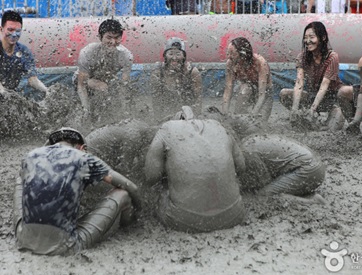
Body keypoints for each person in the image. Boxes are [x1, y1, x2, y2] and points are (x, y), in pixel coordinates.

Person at [13, 128, 141, 255]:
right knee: (123, 194)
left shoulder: (31, 156)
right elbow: (132, 187)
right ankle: (129, 229)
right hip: (64, 247)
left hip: (23, 239)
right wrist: (139, 211)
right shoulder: (84, 158)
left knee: (21, 178)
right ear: (83, 148)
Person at [144, 106, 246, 233]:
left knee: (158, 192)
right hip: (234, 215)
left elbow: (151, 177)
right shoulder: (218, 126)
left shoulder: (166, 129)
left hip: (183, 220)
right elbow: (241, 167)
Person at [279, 21, 351, 131]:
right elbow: (299, 83)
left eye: (311, 37)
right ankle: (305, 118)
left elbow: (324, 85)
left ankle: (320, 116)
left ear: (323, 37)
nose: (308, 41)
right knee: (284, 94)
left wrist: (312, 109)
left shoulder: (332, 57)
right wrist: (294, 108)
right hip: (313, 96)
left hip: (333, 100)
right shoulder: (302, 57)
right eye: (305, 38)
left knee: (330, 131)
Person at [75, 19, 133, 125]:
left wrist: (125, 110)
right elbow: (81, 84)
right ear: (100, 37)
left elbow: (125, 85)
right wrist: (86, 110)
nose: (113, 42)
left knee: (114, 89)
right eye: (109, 37)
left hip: (107, 81)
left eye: (117, 38)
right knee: (102, 88)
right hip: (84, 81)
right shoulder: (88, 52)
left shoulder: (126, 56)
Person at [150, 37, 202, 122]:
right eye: (170, 54)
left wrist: (195, 120)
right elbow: (156, 101)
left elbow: (198, 100)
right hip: (166, 114)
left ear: (184, 56)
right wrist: (158, 120)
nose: (174, 58)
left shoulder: (192, 72)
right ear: (165, 56)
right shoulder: (158, 73)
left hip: (187, 115)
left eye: (178, 54)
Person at [222, 37, 273, 123]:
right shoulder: (230, 63)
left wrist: (252, 116)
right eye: (228, 53)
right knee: (238, 121)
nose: (229, 57)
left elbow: (262, 95)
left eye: (232, 53)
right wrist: (224, 114)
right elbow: (228, 90)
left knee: (259, 125)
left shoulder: (260, 63)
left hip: (264, 93)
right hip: (247, 90)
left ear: (243, 53)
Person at [0, 11, 48, 96]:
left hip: (10, 96)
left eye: (17, 31)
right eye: (10, 30)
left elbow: (32, 79)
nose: (14, 34)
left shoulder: (24, 52)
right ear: (1, 29)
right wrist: (3, 92)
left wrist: (46, 90)